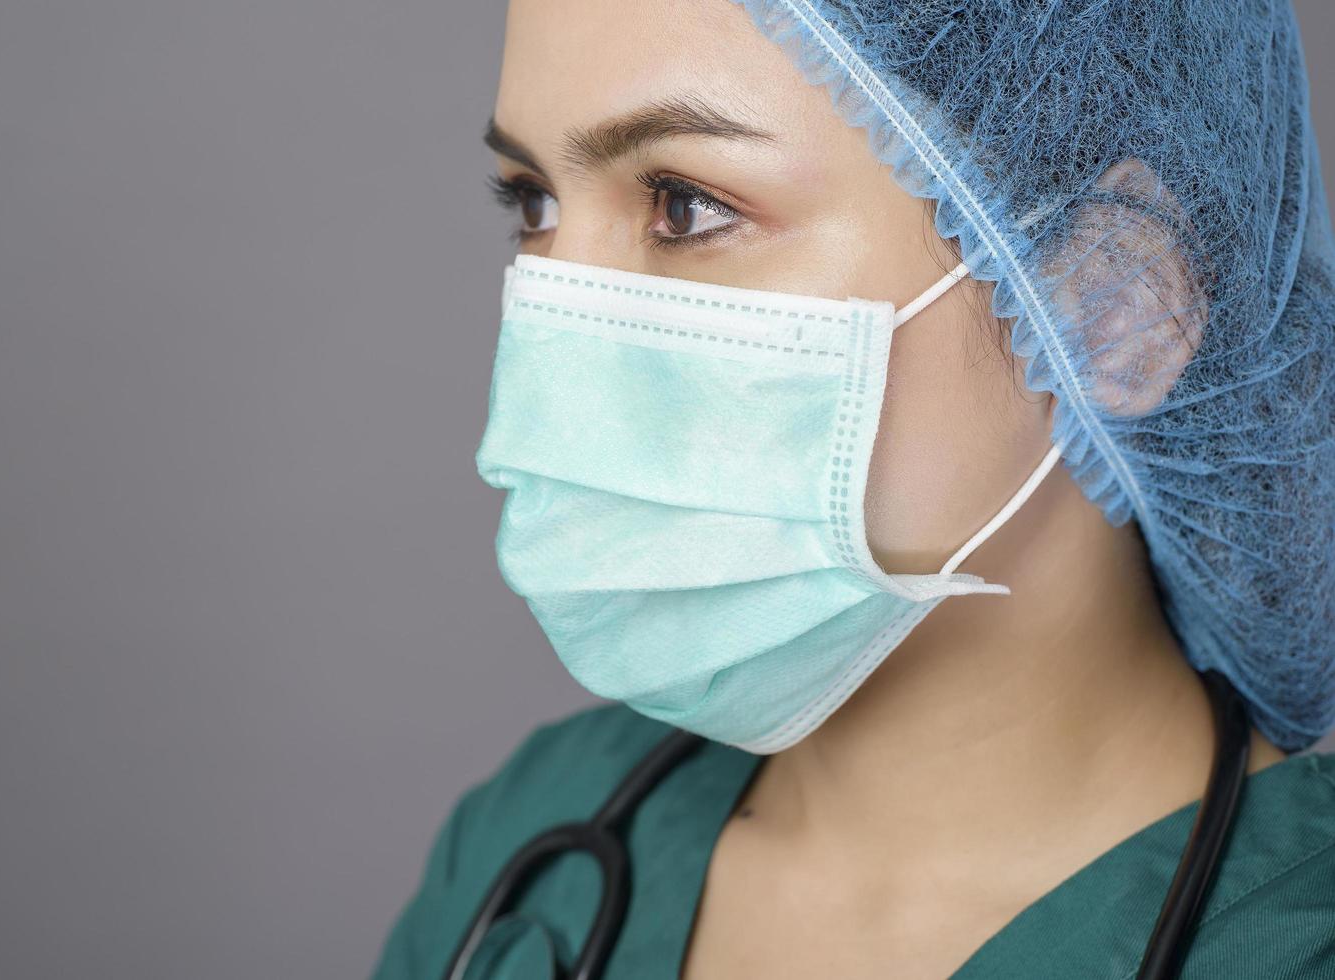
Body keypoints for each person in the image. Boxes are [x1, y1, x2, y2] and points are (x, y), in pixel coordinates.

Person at [373, 1, 1335, 977]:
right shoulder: (528, 841)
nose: (557, 331)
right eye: (533, 203)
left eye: (684, 204)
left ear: (1112, 306)